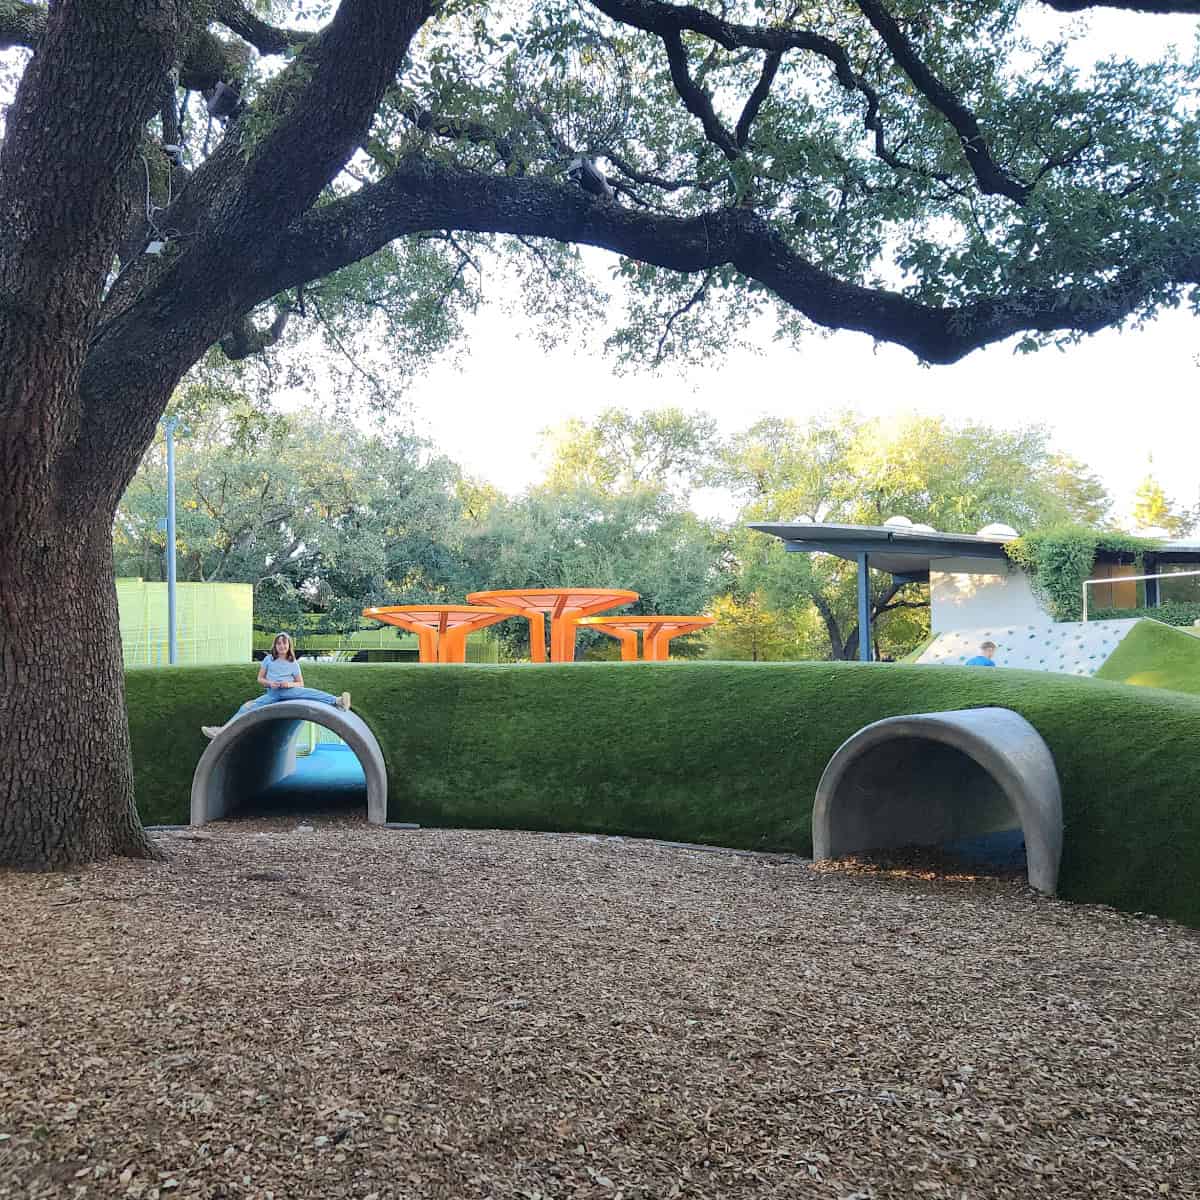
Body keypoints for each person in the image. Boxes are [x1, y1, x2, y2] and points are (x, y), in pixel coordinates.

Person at [201, 632, 350, 739]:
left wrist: (288, 684)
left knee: (310, 692)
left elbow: (300, 683)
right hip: (272, 694)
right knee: (246, 707)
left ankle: (337, 701)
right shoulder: (268, 660)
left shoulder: (293, 663)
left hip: (290, 691)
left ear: (289, 645)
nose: (282, 646)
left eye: (284, 643)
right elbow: (260, 678)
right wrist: (270, 683)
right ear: (275, 646)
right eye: (279, 643)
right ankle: (221, 731)